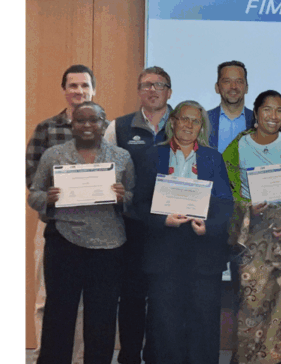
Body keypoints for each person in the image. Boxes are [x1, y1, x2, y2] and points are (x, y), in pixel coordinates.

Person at [28, 100, 133, 364]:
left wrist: (124, 198)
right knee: (59, 315)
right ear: (72, 124)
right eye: (80, 120)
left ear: (104, 123)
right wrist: (48, 199)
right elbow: (34, 195)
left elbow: (134, 196)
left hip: (109, 247)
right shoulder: (54, 155)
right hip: (64, 243)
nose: (87, 125)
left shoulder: (121, 157)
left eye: (93, 120)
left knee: (102, 317)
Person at [136, 100, 235, 364]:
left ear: (201, 126)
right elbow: (138, 205)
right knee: (165, 323)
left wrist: (209, 228)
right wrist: (162, 220)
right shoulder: (152, 155)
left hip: (203, 254)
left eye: (195, 120)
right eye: (184, 119)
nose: (189, 125)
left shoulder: (212, 157)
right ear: (173, 121)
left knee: (203, 323)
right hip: (163, 255)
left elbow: (226, 203)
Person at [224, 90, 281, 364]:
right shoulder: (238, 146)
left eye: (279, 110)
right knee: (252, 306)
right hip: (252, 236)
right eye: (267, 109)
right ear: (256, 113)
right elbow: (225, 189)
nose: (273, 116)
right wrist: (245, 207)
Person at [25, 65, 97, 362]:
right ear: (64, 90)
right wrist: (56, 194)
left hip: (92, 229)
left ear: (94, 90)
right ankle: (46, 356)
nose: (79, 91)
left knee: (82, 304)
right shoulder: (46, 128)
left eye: (84, 86)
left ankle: (78, 359)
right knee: (47, 298)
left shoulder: (104, 127)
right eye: (73, 85)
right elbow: (31, 177)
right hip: (53, 227)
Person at [109, 66, 174, 364]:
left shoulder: (185, 123)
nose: (153, 90)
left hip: (171, 227)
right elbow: (104, 168)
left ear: (169, 92)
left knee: (164, 299)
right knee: (133, 297)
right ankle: (130, 356)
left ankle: (158, 356)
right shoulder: (118, 127)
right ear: (139, 92)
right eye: (146, 85)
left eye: (159, 85)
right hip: (133, 226)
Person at [208, 60, 255, 151]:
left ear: (246, 88)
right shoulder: (203, 120)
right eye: (227, 81)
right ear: (217, 88)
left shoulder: (259, 122)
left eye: (239, 81)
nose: (233, 86)